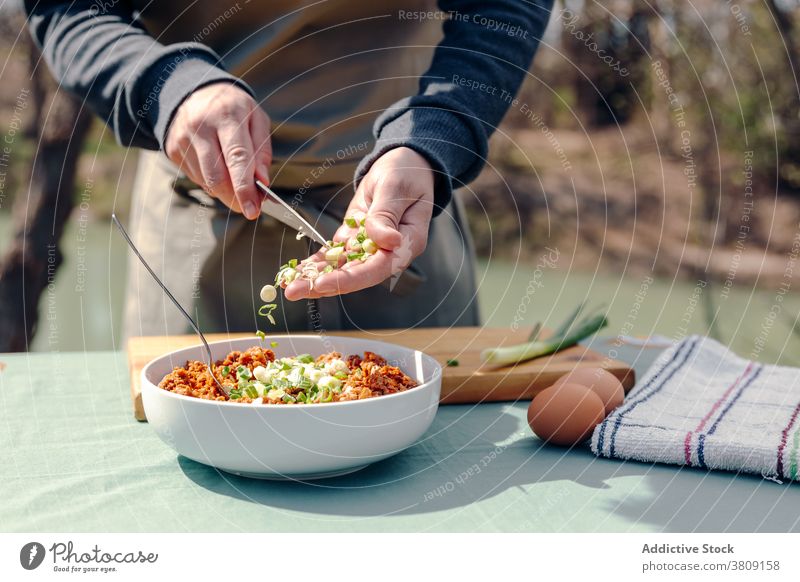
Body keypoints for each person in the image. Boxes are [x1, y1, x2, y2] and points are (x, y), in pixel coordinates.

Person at [25, 0, 553, 337]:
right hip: (192, 213)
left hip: (402, 204)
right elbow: (68, 8)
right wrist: (168, 87)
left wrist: (434, 133)